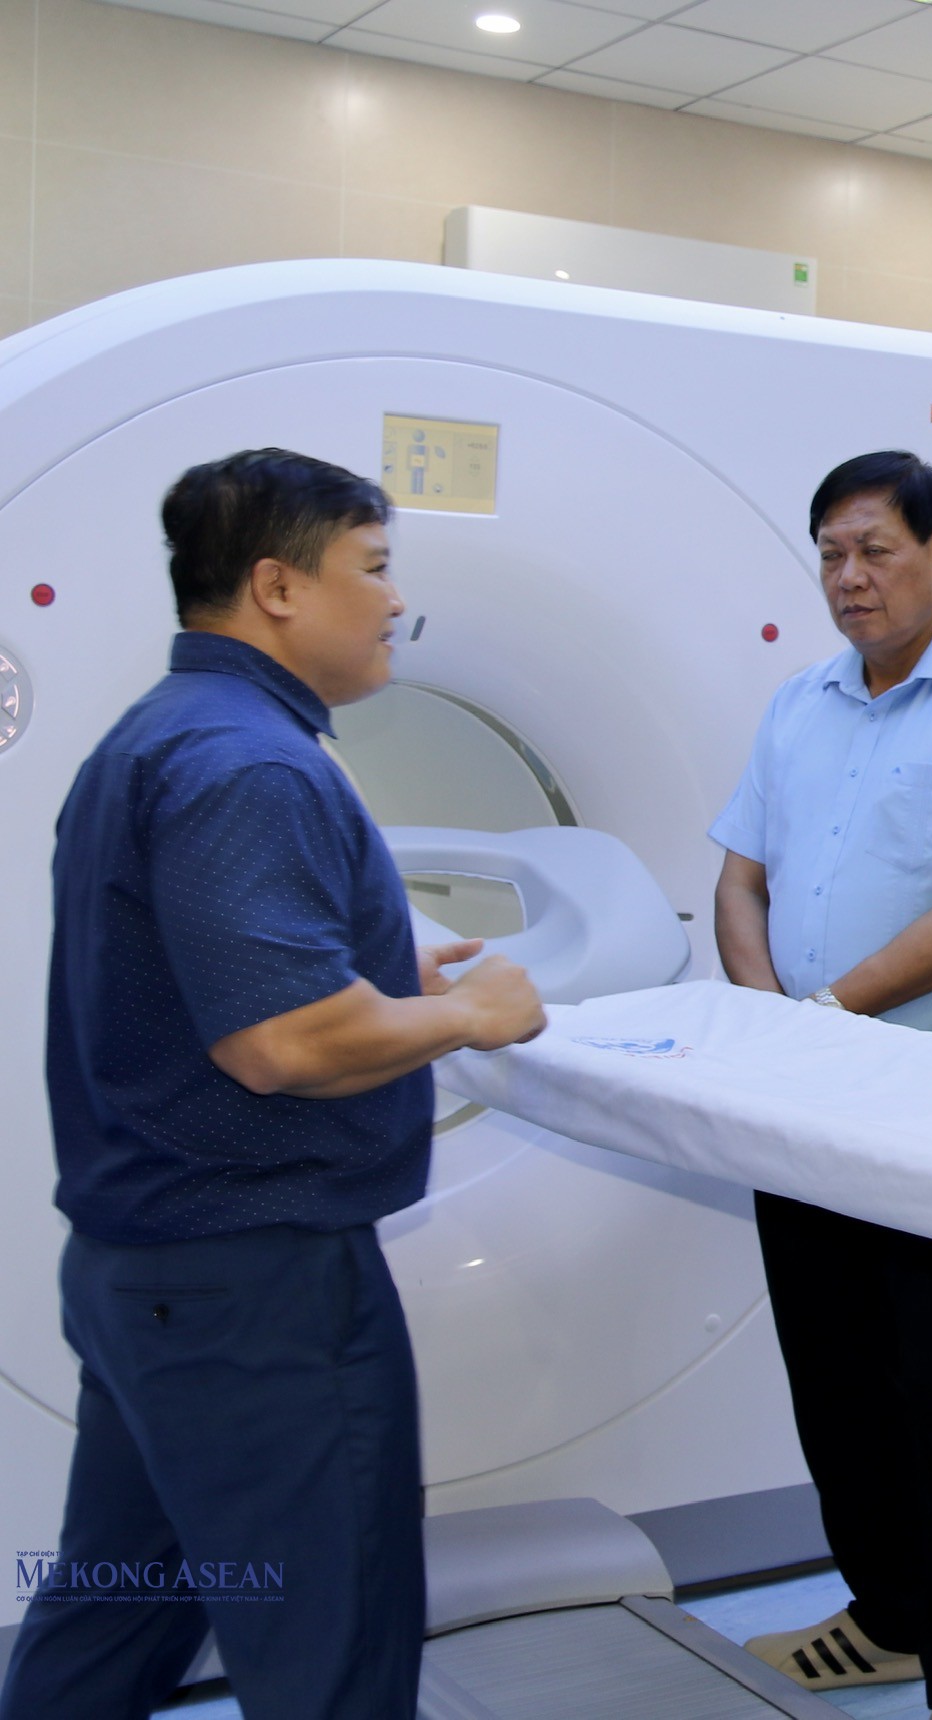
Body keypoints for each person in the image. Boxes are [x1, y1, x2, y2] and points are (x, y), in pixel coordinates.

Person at [5, 449, 546, 1720]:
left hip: (147, 1274)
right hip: (258, 1296)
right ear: (277, 587)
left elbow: (194, 969)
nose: (395, 600)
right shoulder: (253, 764)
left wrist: (384, 964)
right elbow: (281, 1043)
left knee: (112, 1619)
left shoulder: (158, 733)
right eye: (374, 567)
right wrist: (467, 1013)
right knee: (330, 1654)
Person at [712, 450, 932, 1720]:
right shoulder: (797, 703)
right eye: (830, 554)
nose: (849, 576)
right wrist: (769, 1021)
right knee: (836, 1382)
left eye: (874, 549)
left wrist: (825, 1019)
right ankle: (887, 1618)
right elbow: (740, 877)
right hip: (801, 1102)